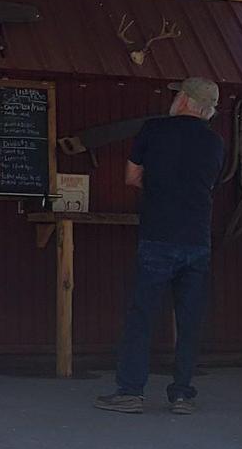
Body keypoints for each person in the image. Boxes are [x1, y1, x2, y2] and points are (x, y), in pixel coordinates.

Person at [96, 78, 224, 415]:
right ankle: (182, 394)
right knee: (189, 319)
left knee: (142, 315)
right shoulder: (215, 143)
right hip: (197, 237)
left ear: (183, 99)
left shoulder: (154, 130)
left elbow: (131, 177)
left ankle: (131, 391)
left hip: (158, 234)